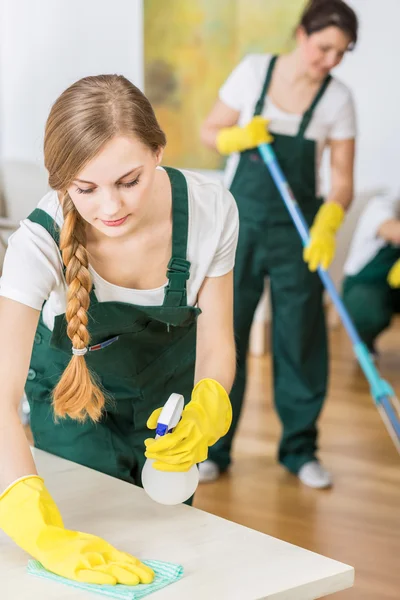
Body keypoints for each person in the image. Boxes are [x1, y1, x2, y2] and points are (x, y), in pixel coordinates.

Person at [0, 74, 238, 585]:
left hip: (167, 412)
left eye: (129, 181)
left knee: (169, 548)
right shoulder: (37, 244)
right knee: (97, 549)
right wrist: (33, 523)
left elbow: (219, 345)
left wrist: (208, 406)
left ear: (158, 151)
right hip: (72, 404)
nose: (111, 208)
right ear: (60, 181)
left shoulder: (209, 211)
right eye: (85, 189)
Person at [200, 0, 358, 488]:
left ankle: (299, 451)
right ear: (300, 34)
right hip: (239, 225)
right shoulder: (254, 73)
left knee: (300, 340)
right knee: (227, 334)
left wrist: (329, 222)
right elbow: (210, 130)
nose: (329, 60)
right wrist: (236, 139)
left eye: (341, 52)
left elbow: (342, 180)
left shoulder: (338, 100)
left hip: (299, 234)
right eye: (324, 46)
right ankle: (213, 449)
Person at [343, 191, 400, 356]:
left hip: (393, 288)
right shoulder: (381, 205)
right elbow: (394, 232)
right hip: (364, 285)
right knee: (370, 313)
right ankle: (364, 341)